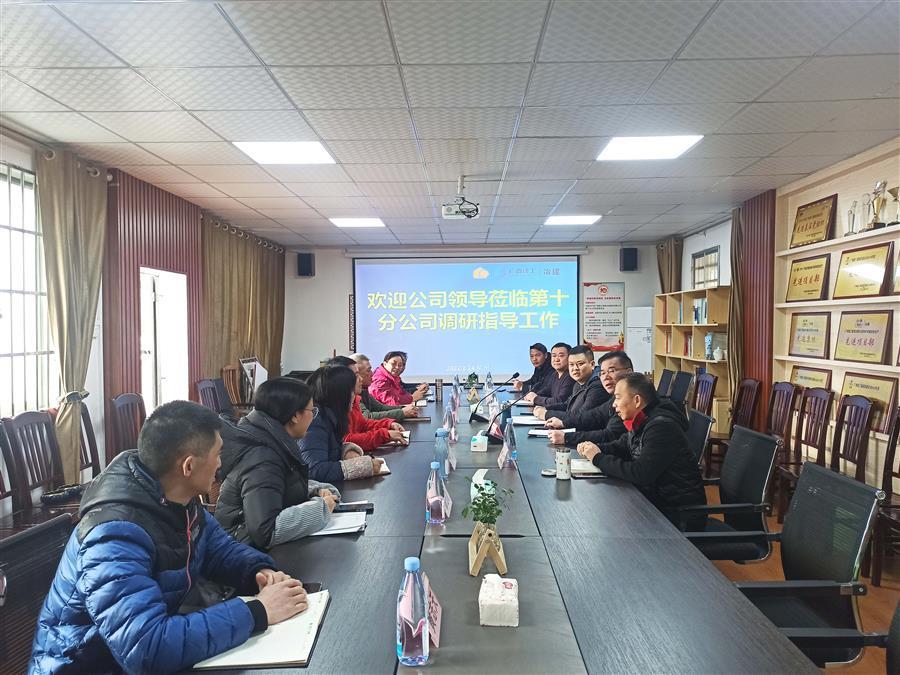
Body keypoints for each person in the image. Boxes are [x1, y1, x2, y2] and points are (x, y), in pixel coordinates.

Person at [30, 401, 308, 674]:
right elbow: (146, 648)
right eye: (217, 454)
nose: (220, 464)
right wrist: (258, 611)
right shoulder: (113, 536)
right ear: (188, 466)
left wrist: (259, 571)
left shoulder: (178, 499)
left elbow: (220, 549)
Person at [215, 377, 342, 549]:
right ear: (295, 416)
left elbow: (278, 485)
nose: (313, 416)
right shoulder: (263, 458)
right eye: (312, 410)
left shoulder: (270, 439)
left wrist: (314, 489)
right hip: (241, 551)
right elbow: (266, 530)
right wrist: (321, 509)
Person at [576, 373, 706, 526]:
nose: (614, 405)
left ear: (637, 400)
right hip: (654, 503)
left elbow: (640, 473)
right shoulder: (644, 418)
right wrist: (594, 448)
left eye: (618, 398)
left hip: (677, 516)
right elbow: (621, 446)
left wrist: (598, 458)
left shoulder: (661, 426)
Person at [301, 365, 385, 482]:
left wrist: (346, 452)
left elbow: (328, 450)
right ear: (340, 394)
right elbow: (315, 470)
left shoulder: (330, 416)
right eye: (351, 391)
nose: (354, 396)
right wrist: (363, 466)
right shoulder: (315, 421)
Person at [546, 350, 632, 446]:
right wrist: (564, 422)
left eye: (611, 371)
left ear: (628, 372)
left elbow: (610, 435)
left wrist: (566, 438)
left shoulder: (630, 399)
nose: (605, 377)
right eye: (602, 373)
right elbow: (594, 415)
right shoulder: (614, 398)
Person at [327, 355, 408, 450]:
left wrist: (388, 424)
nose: (360, 379)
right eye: (356, 375)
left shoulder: (354, 399)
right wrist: (384, 435)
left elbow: (363, 424)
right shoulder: (335, 405)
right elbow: (346, 440)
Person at [533, 345, 608, 427]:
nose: (575, 368)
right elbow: (567, 404)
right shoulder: (578, 383)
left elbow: (581, 417)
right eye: (571, 364)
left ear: (592, 364)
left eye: (580, 364)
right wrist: (546, 408)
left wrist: (547, 414)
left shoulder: (597, 386)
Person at [353, 353, 419, 420]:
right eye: (368, 370)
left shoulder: (364, 389)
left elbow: (380, 408)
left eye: (401, 365)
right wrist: (403, 411)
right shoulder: (379, 380)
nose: (372, 373)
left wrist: (404, 408)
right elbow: (367, 417)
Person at [523, 342, 575, 407]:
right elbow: (545, 391)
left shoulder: (571, 376)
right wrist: (530, 395)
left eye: (561, 356)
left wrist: (535, 398)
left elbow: (560, 401)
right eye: (554, 356)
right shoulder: (555, 375)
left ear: (570, 358)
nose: (556, 359)